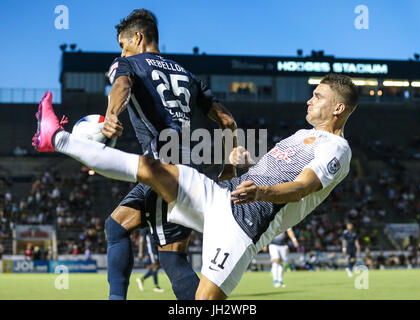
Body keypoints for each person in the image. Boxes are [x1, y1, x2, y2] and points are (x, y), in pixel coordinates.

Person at [33, 72, 358, 299]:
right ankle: (56, 137)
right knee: (150, 168)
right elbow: (255, 178)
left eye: (318, 96)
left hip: (243, 228)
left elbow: (303, 186)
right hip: (221, 198)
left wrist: (259, 191)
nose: (309, 100)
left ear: (338, 108)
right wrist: (236, 164)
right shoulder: (303, 135)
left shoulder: (337, 150)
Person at [87, 9, 238, 300]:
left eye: (123, 43)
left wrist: (110, 115)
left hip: (163, 169)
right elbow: (228, 121)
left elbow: (121, 85)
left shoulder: (127, 64)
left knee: (166, 256)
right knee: (125, 230)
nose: (121, 50)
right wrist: (230, 167)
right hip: (191, 171)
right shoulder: (187, 74)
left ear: (138, 37)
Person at [136, 226, 164, 293]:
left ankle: (142, 279)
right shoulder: (145, 226)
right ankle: (156, 286)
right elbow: (141, 239)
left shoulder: (153, 224)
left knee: (156, 267)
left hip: (156, 248)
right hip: (151, 249)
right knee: (155, 266)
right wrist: (140, 252)